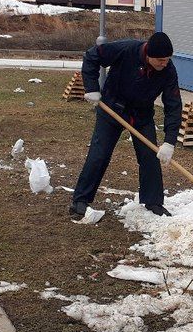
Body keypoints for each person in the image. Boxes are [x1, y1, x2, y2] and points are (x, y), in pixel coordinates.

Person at [70, 31, 183, 219]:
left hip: (141, 115)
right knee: (99, 154)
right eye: (161, 60)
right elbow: (92, 55)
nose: (165, 63)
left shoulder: (168, 71)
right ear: (149, 55)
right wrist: (91, 88)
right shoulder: (126, 50)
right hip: (112, 109)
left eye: (167, 59)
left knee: (149, 156)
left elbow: (173, 105)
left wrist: (169, 142)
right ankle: (80, 200)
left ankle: (153, 201)